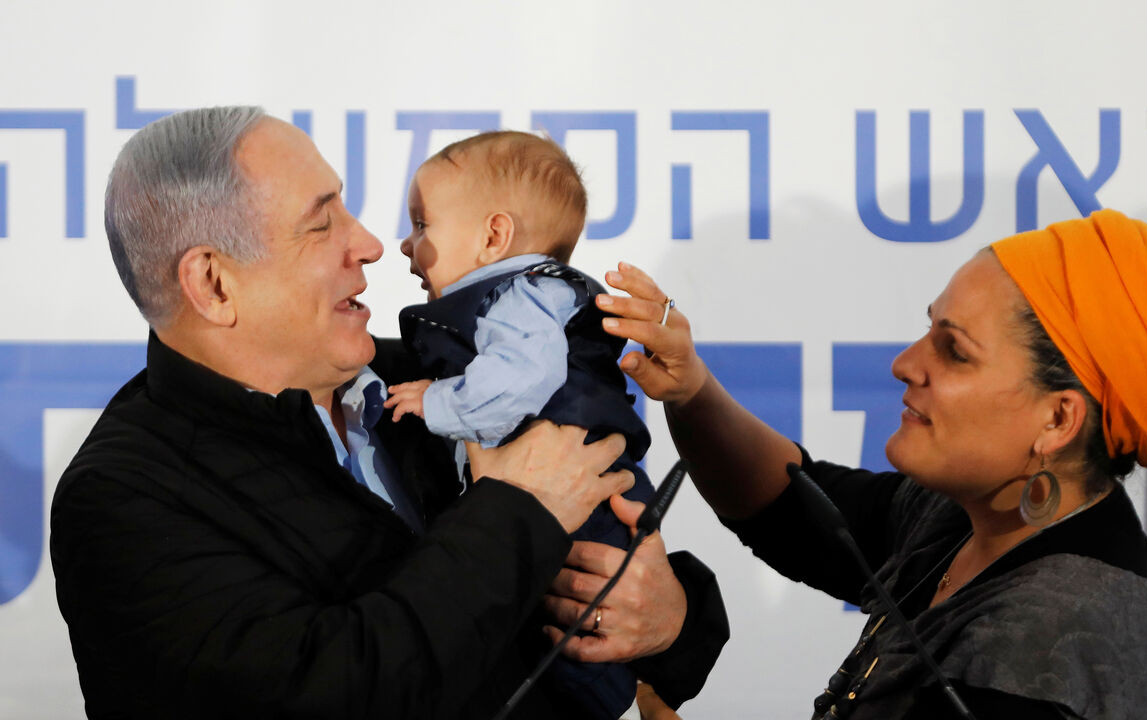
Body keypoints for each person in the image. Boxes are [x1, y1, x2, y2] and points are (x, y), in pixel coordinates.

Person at [49, 106, 727, 720]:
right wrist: (518, 509)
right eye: (322, 224)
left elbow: (626, 577)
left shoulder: (440, 374)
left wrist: (671, 620)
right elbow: (330, 693)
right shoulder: (122, 500)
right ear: (214, 284)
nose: (372, 243)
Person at [598, 210, 1147, 720]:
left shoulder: (1046, 641)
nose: (905, 363)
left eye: (954, 350)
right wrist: (690, 391)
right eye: (928, 330)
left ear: (1057, 420)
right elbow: (793, 508)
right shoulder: (987, 515)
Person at [382, 130, 656, 720]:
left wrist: (436, 402)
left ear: (493, 236)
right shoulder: (512, 296)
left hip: (589, 506)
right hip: (567, 506)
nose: (406, 245)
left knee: (573, 645)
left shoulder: (524, 295)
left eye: (422, 225)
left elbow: (516, 383)